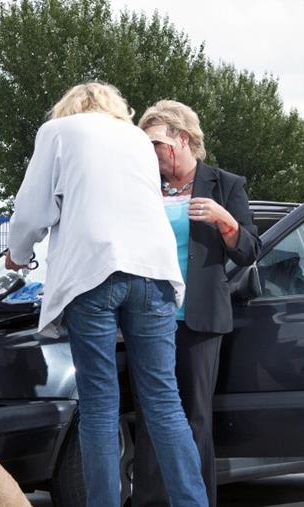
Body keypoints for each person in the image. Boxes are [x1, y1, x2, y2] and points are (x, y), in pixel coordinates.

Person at [5, 82, 207, 507]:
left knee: (99, 403)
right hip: (153, 271)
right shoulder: (136, 139)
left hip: (94, 270)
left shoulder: (58, 132)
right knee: (163, 400)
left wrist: (19, 254)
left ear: (68, 108)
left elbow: (32, 210)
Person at [133, 100, 261, 507]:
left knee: (195, 419)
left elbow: (249, 251)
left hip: (201, 320)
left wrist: (225, 220)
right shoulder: (142, 186)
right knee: (150, 417)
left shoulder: (226, 184)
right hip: (149, 316)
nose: (148, 153)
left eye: (154, 143)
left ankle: (197, 500)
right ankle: (151, 502)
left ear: (181, 139)